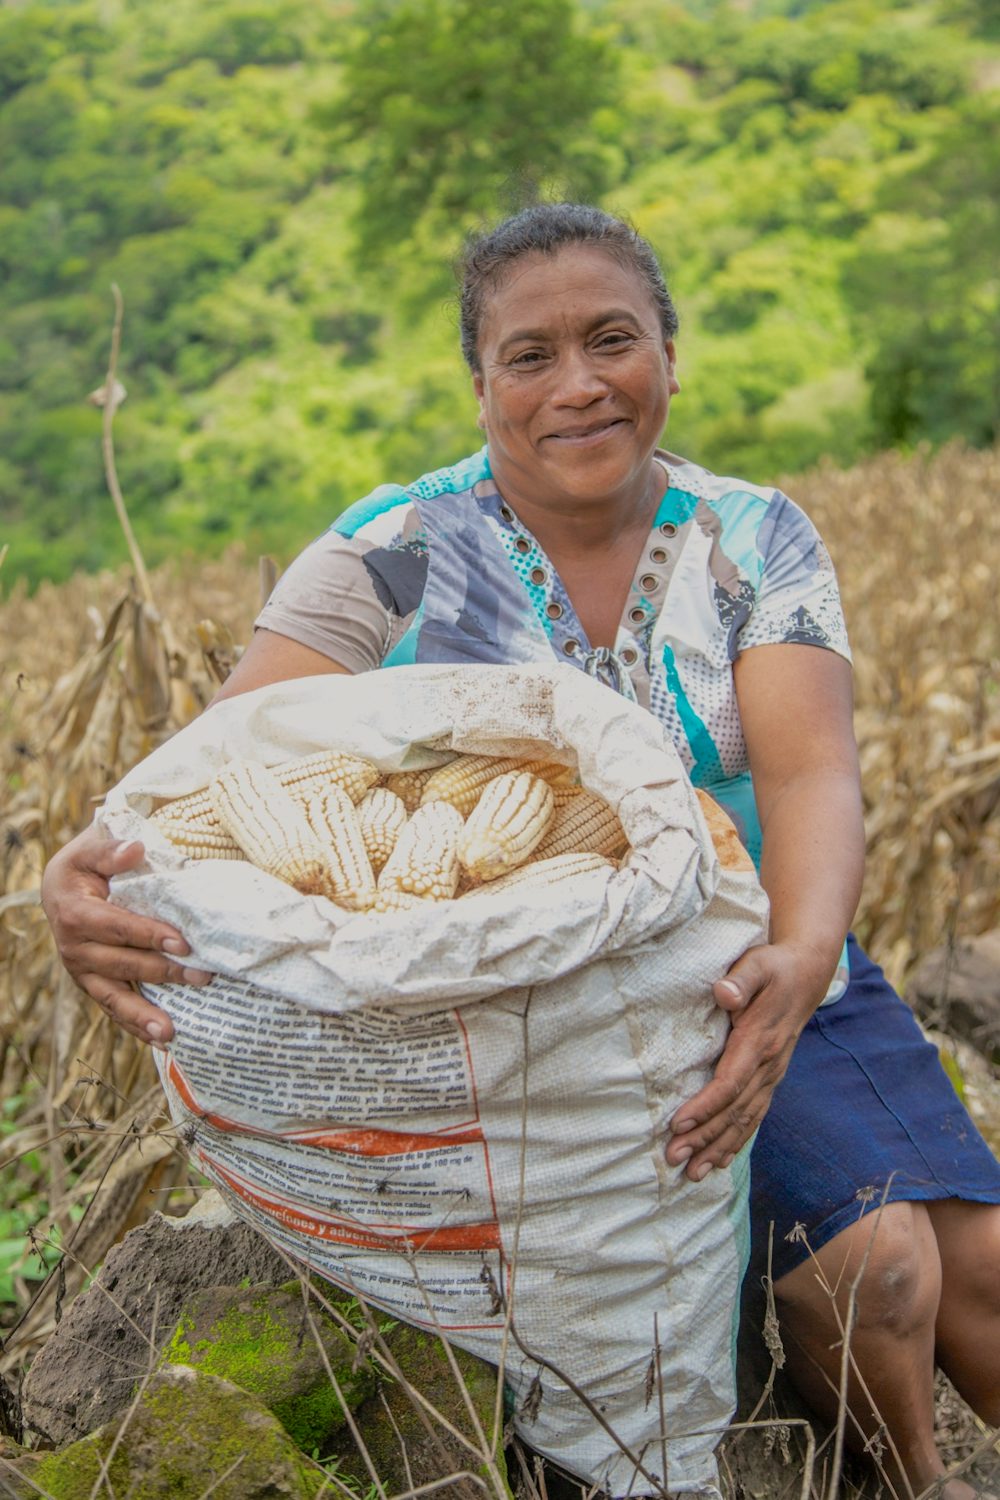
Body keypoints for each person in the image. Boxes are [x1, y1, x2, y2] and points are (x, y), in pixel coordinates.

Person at [42, 204, 1000, 1498]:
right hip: (530, 1021)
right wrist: (90, 866)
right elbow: (228, 763)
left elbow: (811, 769)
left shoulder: (752, 538)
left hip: (761, 961)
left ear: (669, 351)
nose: (580, 383)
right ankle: (915, 1482)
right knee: (878, 1263)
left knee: (977, 1267)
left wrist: (803, 952)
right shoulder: (398, 551)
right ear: (479, 382)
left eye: (614, 339)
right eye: (530, 355)